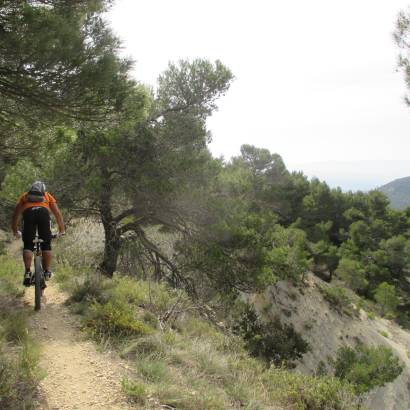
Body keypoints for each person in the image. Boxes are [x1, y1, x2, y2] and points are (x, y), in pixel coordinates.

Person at [11, 181, 65, 288]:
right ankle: (47, 272)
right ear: (42, 190)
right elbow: (57, 214)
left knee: (28, 244)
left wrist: (15, 230)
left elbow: (16, 215)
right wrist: (61, 230)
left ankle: (27, 272)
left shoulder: (25, 196)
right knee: (46, 244)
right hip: (43, 215)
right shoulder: (47, 195)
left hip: (28, 215)